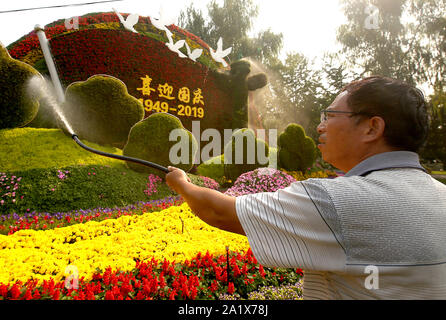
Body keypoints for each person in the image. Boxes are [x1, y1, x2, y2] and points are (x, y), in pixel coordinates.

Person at [165, 76, 446, 299]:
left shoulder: (334, 201)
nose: (321, 127)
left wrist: (182, 183)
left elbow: (219, 211)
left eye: (330, 115)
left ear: (372, 128)